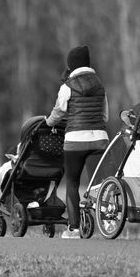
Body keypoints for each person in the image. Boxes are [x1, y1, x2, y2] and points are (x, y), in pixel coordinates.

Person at [45, 45, 109, 239]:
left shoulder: (67, 87)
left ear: (71, 65)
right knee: (99, 183)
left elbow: (58, 111)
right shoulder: (100, 85)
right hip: (99, 139)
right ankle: (108, 220)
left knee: (72, 182)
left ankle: (73, 229)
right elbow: (105, 116)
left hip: (74, 141)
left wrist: (49, 122)